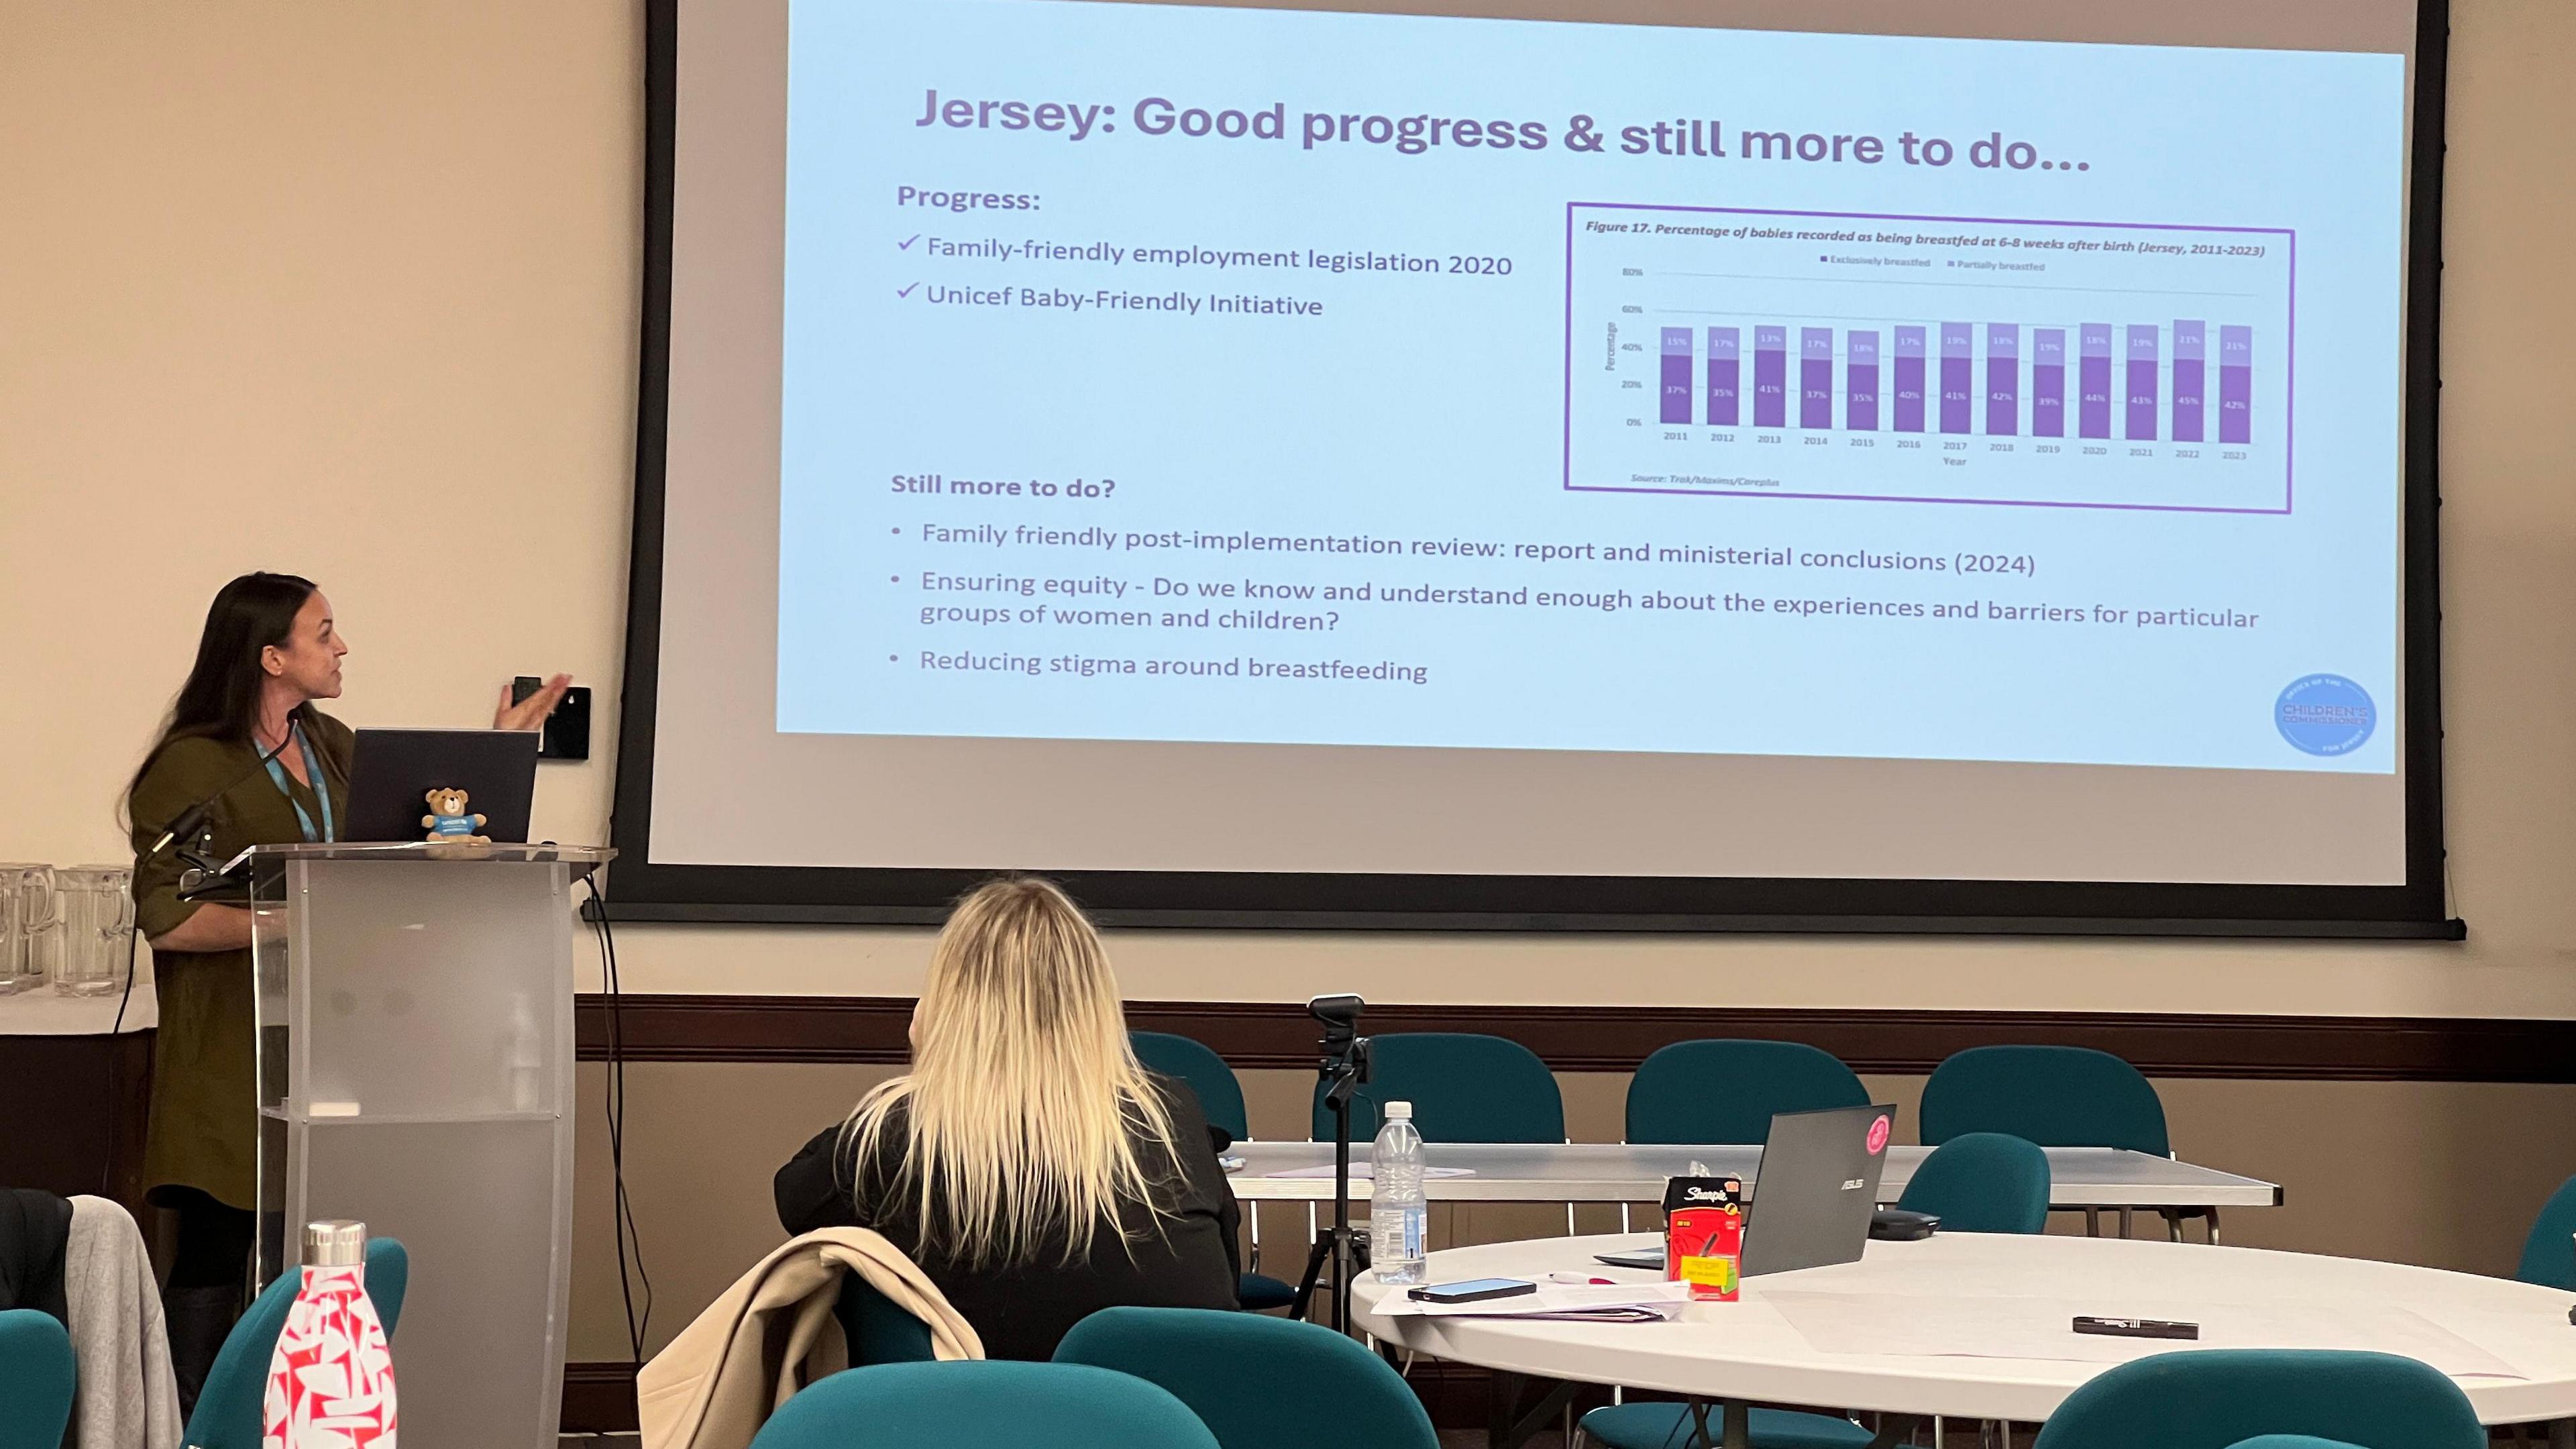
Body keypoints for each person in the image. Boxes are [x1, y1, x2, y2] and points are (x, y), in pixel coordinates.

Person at [124, 571, 569, 1409]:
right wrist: (307, 920)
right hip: (234, 1053)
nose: (342, 647)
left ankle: (321, 1413)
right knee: (224, 1241)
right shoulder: (192, 766)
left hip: (349, 1050)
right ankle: (199, 1419)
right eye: (324, 633)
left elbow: (412, 851)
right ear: (270, 657)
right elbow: (170, 919)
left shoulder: (329, 743)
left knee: (329, 1246)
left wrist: (498, 751)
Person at [773, 876, 1242, 1360]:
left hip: (957, 1424)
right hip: (1169, 1425)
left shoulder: (896, 1135)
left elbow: (797, 1202)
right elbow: (1227, 1267)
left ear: (949, 1006)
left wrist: (928, 1062)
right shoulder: (1171, 1117)